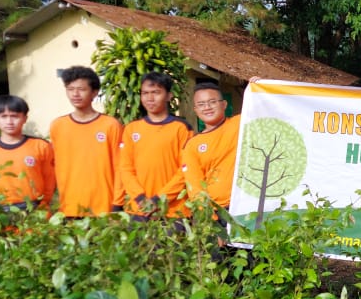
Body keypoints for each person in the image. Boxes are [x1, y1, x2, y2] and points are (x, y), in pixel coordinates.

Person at [117, 72, 193, 219]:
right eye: (145, 93)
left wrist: (159, 200)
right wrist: (140, 198)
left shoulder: (182, 128)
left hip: (173, 212)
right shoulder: (132, 129)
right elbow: (126, 168)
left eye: (156, 92)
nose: (150, 98)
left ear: (169, 96)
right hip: (138, 209)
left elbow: (185, 171)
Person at [50, 66, 124, 217]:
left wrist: (117, 203)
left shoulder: (110, 125)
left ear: (94, 92)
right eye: (70, 89)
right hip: (69, 207)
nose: (75, 94)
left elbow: (120, 167)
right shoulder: (58, 126)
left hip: (104, 208)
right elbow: (52, 165)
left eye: (81, 89)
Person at [0, 94, 55, 210]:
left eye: (15, 116)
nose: (9, 122)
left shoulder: (41, 146)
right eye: (3, 116)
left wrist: (43, 204)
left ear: (25, 118)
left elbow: (50, 179)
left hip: (34, 209)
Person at [181, 81, 241, 210]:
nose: (207, 107)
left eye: (212, 102)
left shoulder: (240, 123)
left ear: (224, 104)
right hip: (218, 211)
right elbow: (195, 186)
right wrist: (207, 214)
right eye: (201, 104)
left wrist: (258, 86)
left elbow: (266, 107)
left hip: (248, 205)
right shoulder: (192, 145)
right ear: (196, 110)